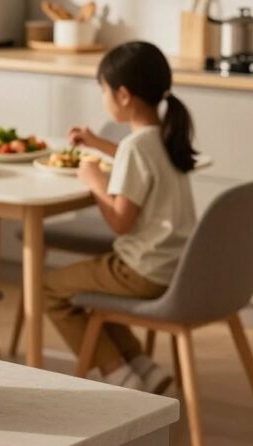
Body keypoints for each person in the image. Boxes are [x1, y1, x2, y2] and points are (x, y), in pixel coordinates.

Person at [44, 40, 197, 393]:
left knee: (50, 289)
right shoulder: (166, 138)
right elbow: (140, 164)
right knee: (94, 294)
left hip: (142, 270)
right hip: (176, 266)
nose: (104, 97)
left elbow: (119, 222)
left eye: (104, 90)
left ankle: (119, 376)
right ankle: (145, 368)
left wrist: (95, 182)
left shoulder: (134, 147)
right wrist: (98, 143)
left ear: (123, 95)